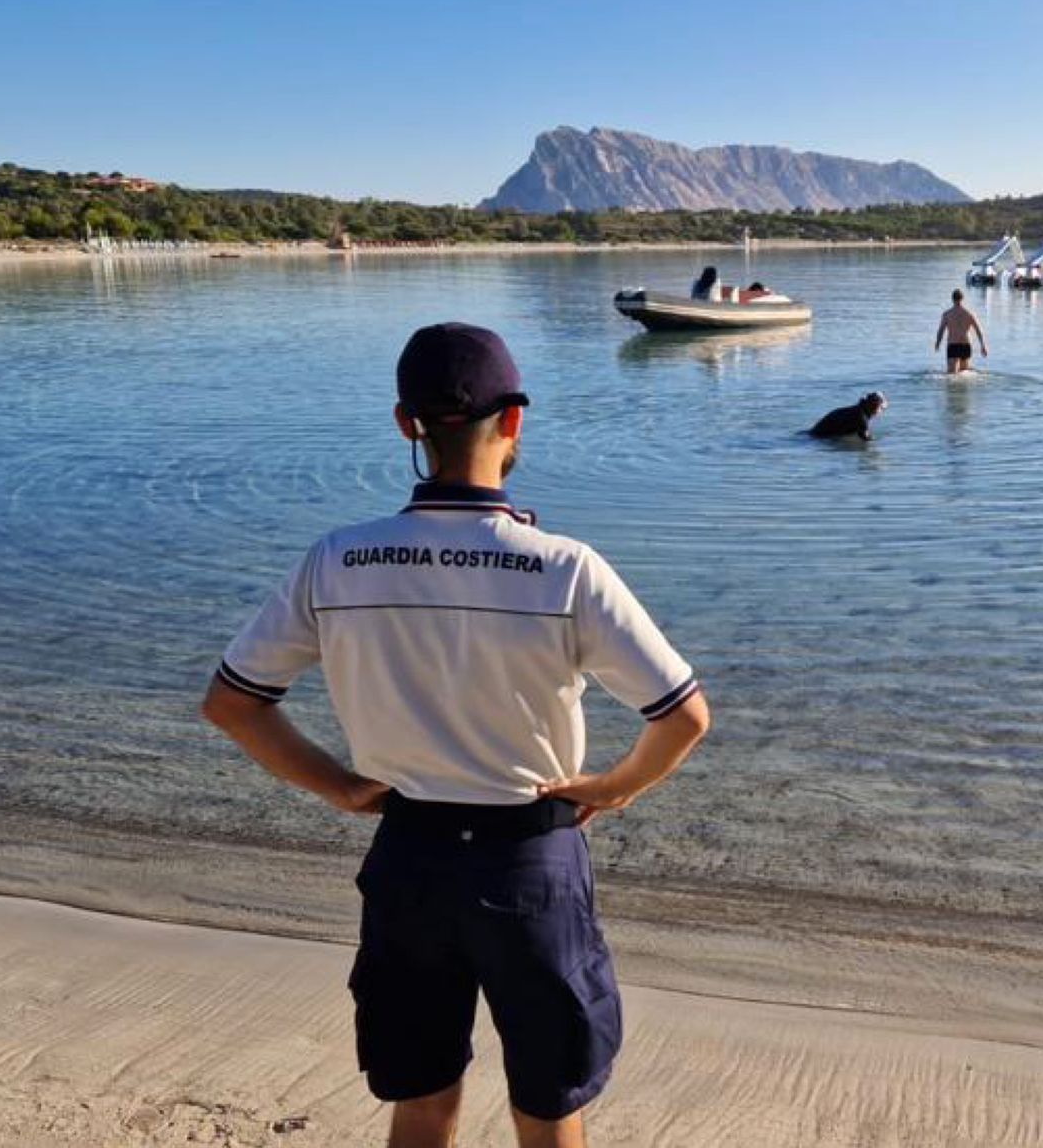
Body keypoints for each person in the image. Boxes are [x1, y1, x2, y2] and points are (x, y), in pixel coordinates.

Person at [201, 322, 710, 1148]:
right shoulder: (564, 567)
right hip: (529, 864)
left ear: (406, 424)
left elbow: (232, 702)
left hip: (410, 859)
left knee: (424, 1094)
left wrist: (337, 785)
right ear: (513, 421)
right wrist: (613, 789)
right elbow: (683, 716)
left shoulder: (338, 561)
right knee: (549, 1104)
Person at [934, 289, 986, 374]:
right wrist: (982, 345)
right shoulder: (969, 314)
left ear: (952, 299)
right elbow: (978, 330)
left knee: (951, 374)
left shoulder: (947, 314)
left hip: (953, 344)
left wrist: (937, 343)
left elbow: (941, 331)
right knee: (964, 373)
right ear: (962, 298)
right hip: (965, 344)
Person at [808, 391, 887, 440]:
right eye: (881, 408)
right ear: (873, 406)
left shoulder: (856, 410)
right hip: (819, 438)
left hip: (814, 435)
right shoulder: (861, 418)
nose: (881, 412)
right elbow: (866, 441)